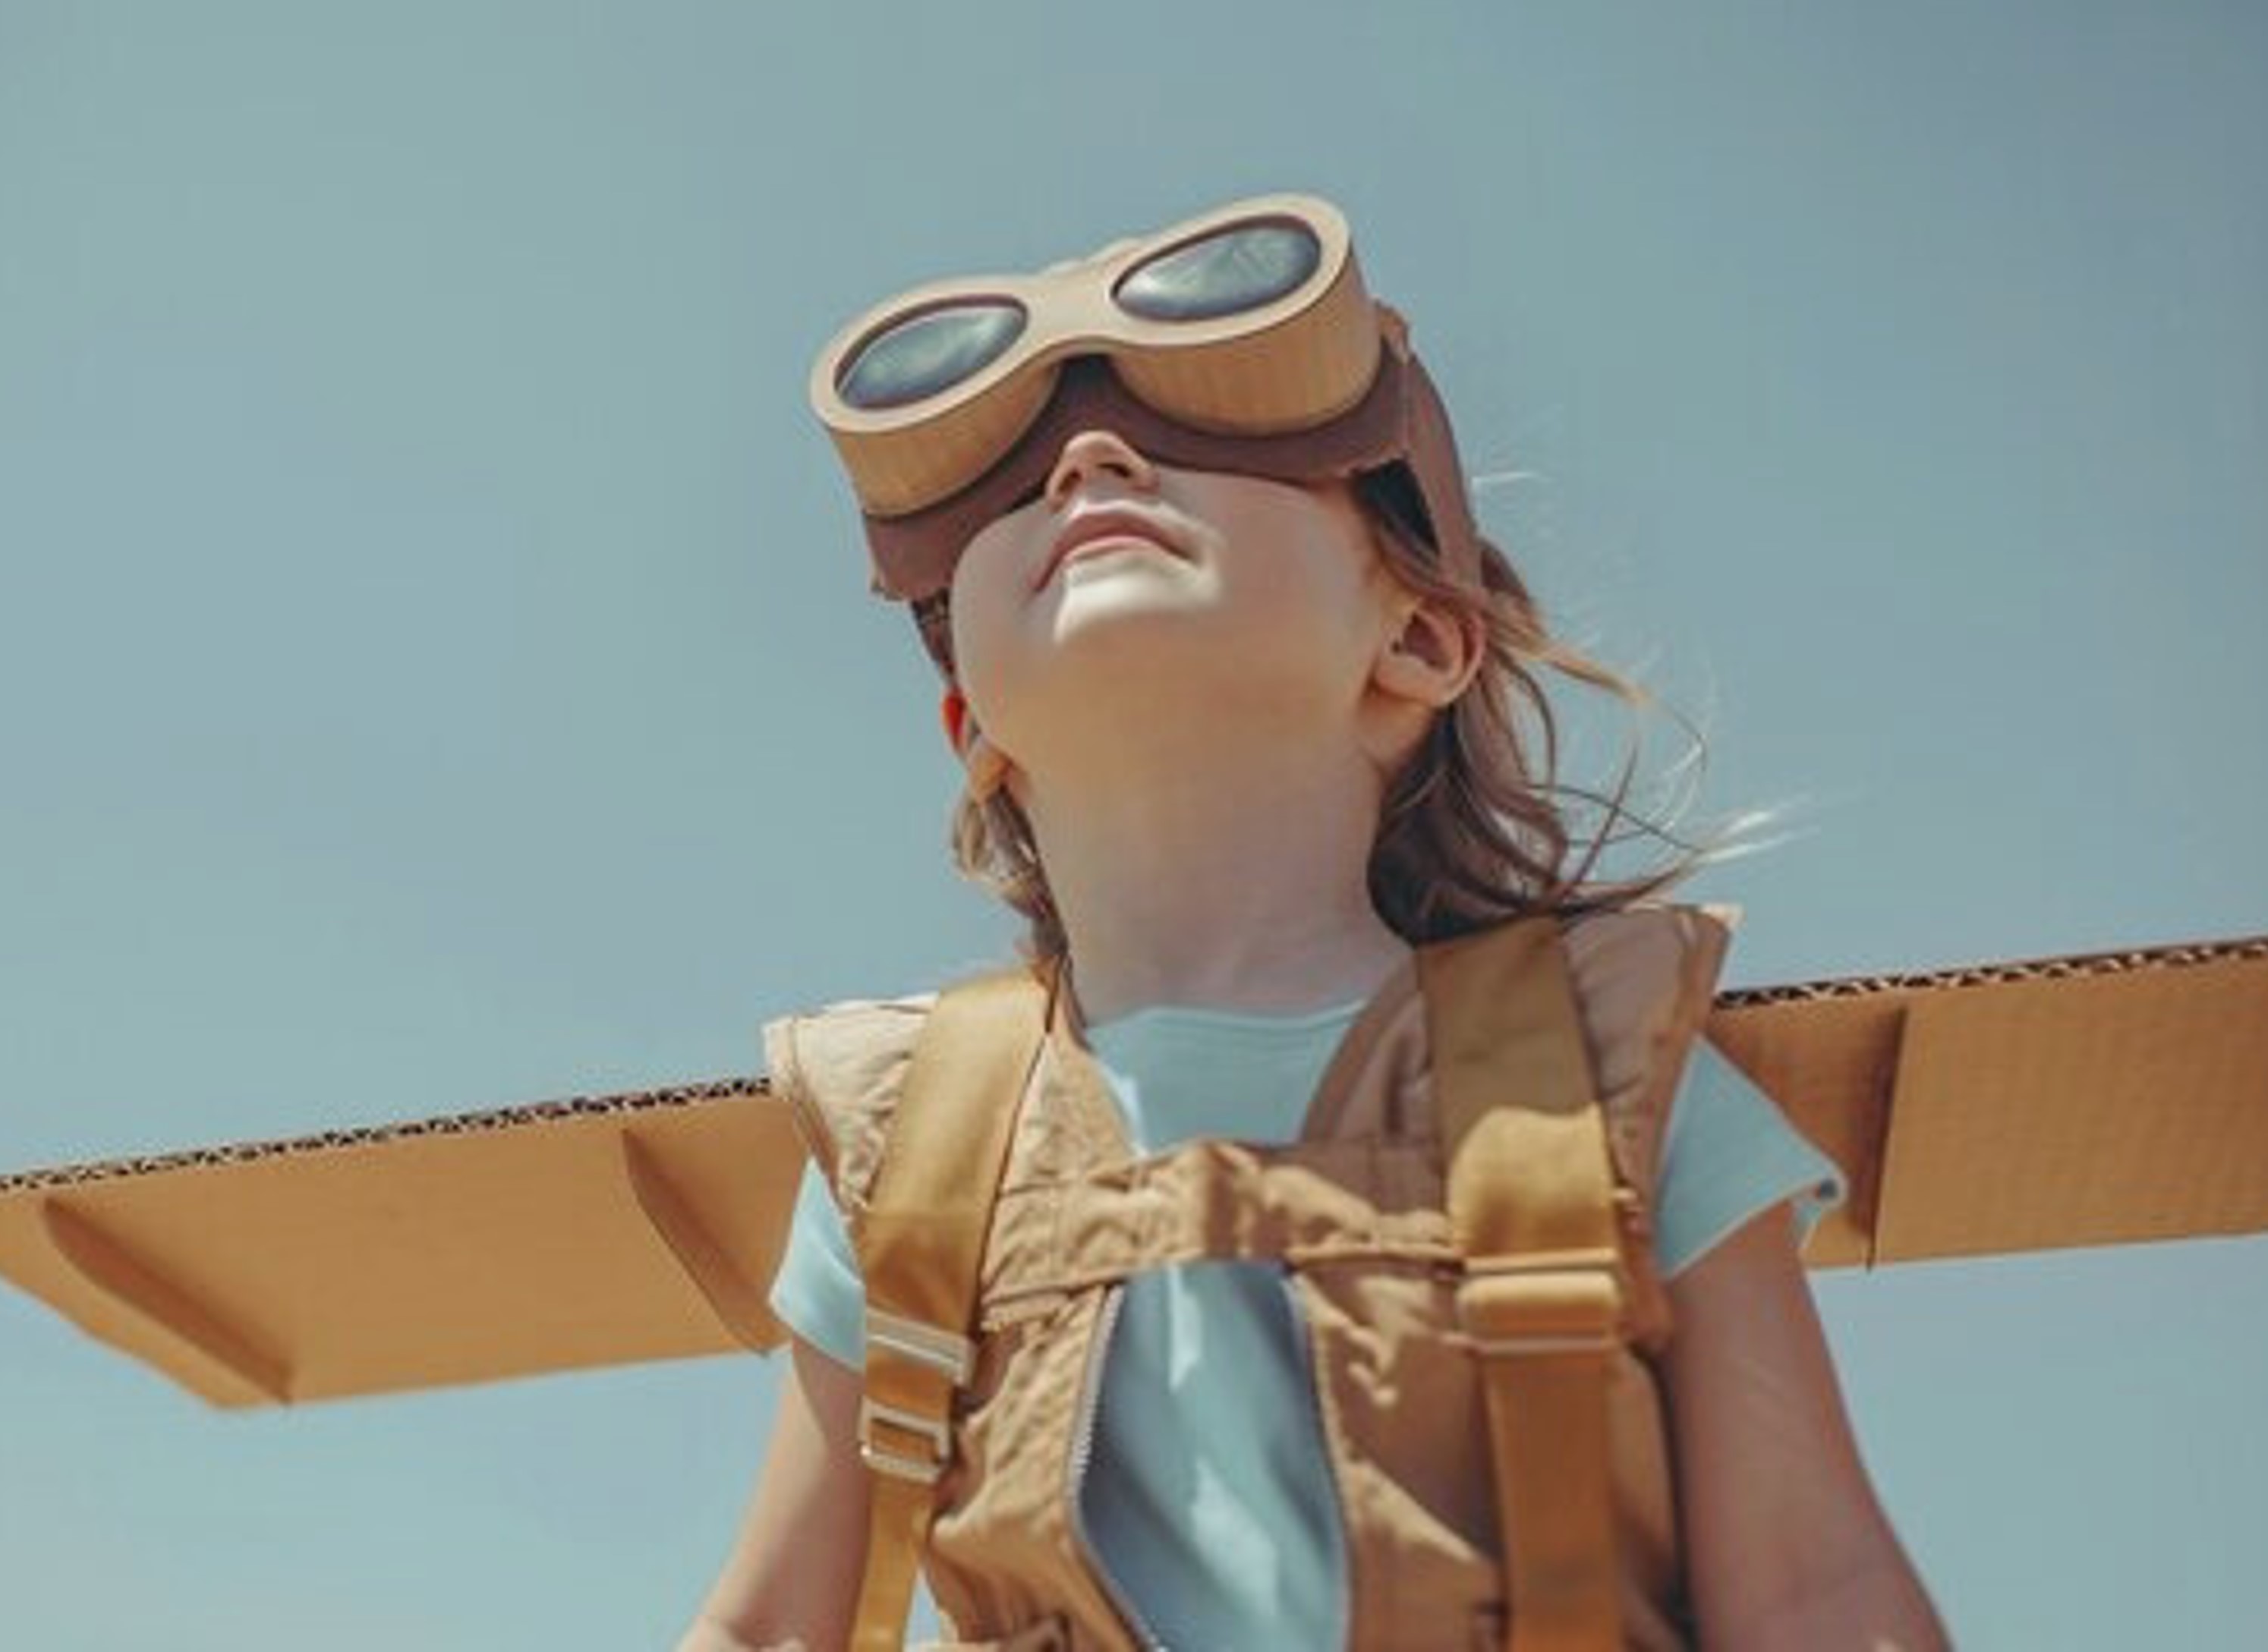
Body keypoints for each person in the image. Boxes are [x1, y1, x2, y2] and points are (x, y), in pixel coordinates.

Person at [680, 195, 1947, 1650]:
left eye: (1198, 449)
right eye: (1015, 492)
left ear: (1417, 638)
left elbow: (1812, 1592)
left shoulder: (1600, 1074)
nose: (1088, 458)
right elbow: (771, 1627)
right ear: (973, 720)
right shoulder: (909, 1144)